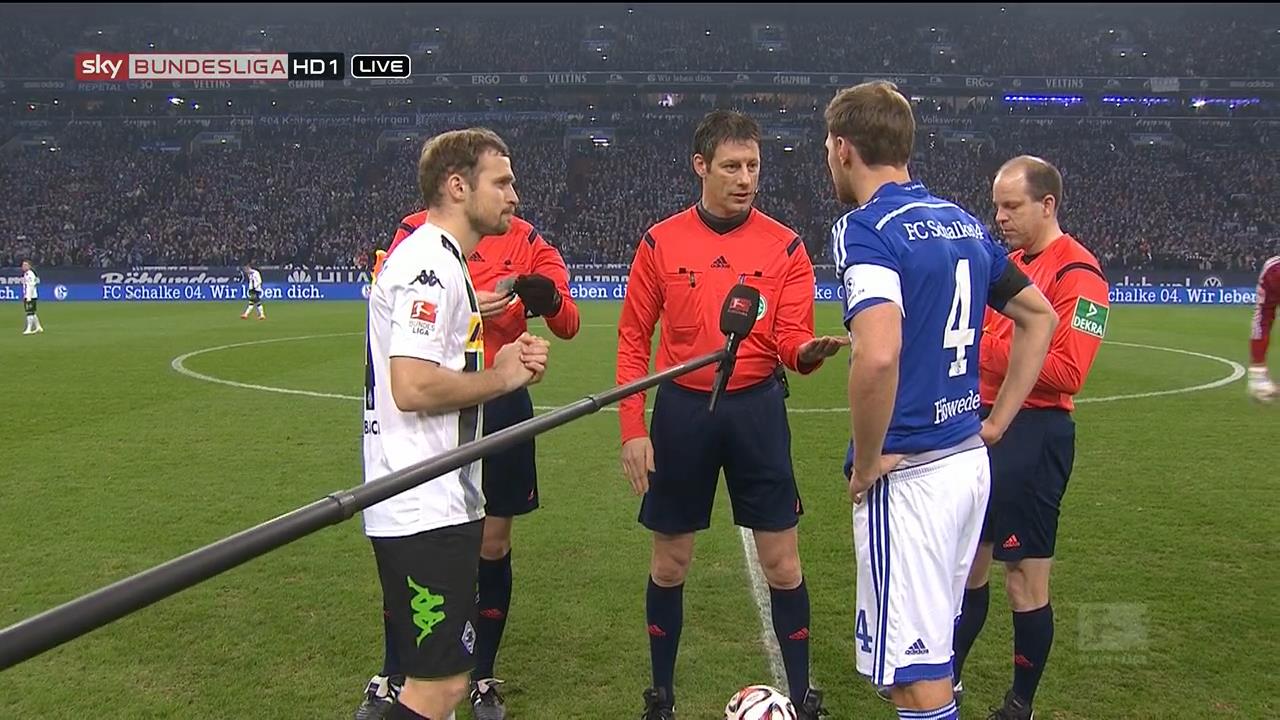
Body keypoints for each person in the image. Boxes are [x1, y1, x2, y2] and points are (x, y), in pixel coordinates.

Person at [825, 81, 1058, 720]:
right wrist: (997, 421)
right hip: (967, 462)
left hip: (911, 475)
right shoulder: (962, 223)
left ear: (843, 148)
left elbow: (877, 354)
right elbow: (1038, 315)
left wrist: (867, 461)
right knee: (929, 660)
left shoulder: (866, 230)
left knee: (917, 676)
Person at [616, 109, 847, 720]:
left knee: (783, 563)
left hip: (757, 412)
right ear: (701, 166)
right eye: (731, 166)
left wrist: (805, 353)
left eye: (753, 166)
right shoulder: (660, 242)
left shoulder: (785, 246)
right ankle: (661, 696)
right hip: (682, 414)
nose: (745, 178)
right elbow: (634, 339)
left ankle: (803, 696)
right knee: (670, 563)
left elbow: (790, 337)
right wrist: (632, 428)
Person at [354, 209, 580, 720]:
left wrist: (546, 298)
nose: (510, 197)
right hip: (438, 406)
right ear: (463, 183)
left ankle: (482, 676)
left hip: (501, 405)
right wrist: (469, 303)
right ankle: (397, 671)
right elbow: (387, 299)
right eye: (500, 182)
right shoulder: (416, 233)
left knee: (492, 544)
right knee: (416, 547)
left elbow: (568, 321)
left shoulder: (528, 240)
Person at [947, 156, 1110, 719]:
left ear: (1047, 205)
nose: (1000, 217)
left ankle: (1020, 704)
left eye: (1011, 206)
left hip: (1035, 435)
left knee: (1024, 578)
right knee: (968, 565)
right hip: (985, 426)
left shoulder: (1081, 275)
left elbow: (1068, 370)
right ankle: (947, 677)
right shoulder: (1011, 265)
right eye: (996, 206)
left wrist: (980, 346)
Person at [1247, 255, 1279, 402]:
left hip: (1274, 270)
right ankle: (1258, 378)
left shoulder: (1272, 267)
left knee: (1263, 315)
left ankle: (1258, 379)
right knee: (1264, 315)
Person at [21, 260, 43, 335]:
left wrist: (28, 296)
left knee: (29, 312)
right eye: (23, 265)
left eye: (25, 265)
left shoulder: (29, 274)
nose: (23, 266)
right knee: (32, 312)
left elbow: (31, 285)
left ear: (29, 266)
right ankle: (38, 327)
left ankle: (29, 328)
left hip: (30, 296)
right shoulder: (26, 274)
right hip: (30, 295)